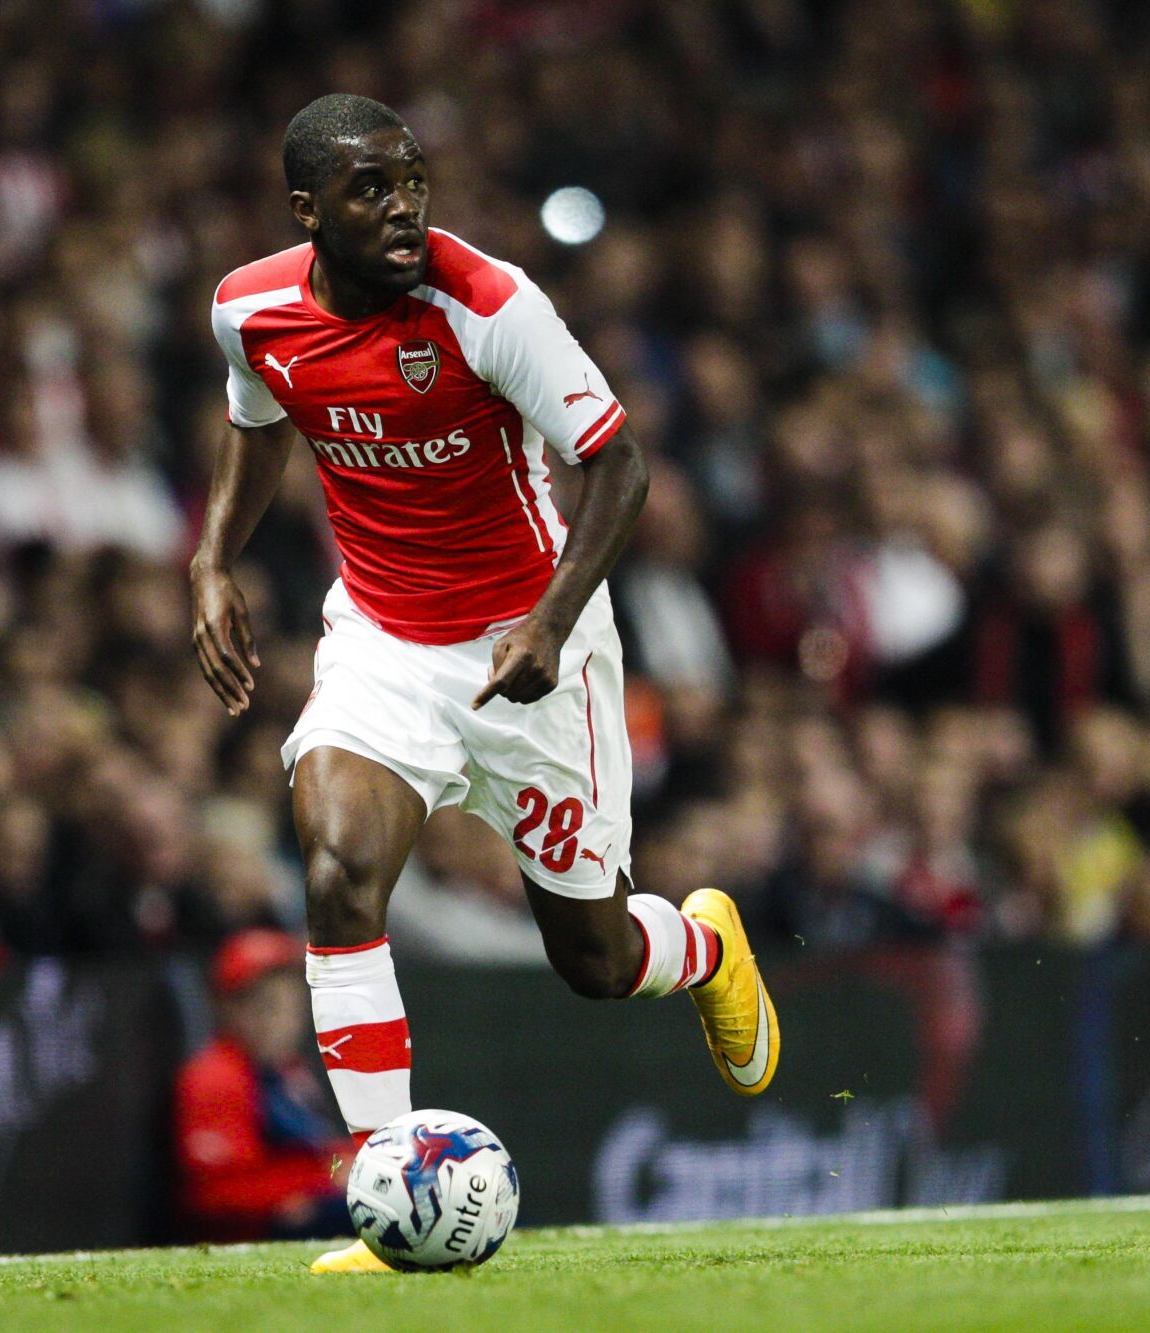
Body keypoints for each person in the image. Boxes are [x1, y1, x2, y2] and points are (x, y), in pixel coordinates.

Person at [189, 94, 779, 1273]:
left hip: (532, 644)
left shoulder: (488, 303)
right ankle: (386, 1189)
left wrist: (551, 624)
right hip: (384, 643)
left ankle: (705, 945)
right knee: (339, 870)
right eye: (371, 189)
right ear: (308, 211)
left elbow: (616, 464)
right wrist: (211, 558)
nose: (404, 206)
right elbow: (261, 425)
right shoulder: (248, 310)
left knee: (595, 962)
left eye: (412, 179)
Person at [174, 929, 348, 1241]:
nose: (282, 1021)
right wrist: (318, 1184)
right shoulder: (216, 1076)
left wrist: (350, 1169)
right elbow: (216, 1192)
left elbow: (321, 1154)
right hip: (260, 1232)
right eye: (267, 1006)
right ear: (228, 1009)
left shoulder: (290, 1070)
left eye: (290, 1005)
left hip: (312, 1210)